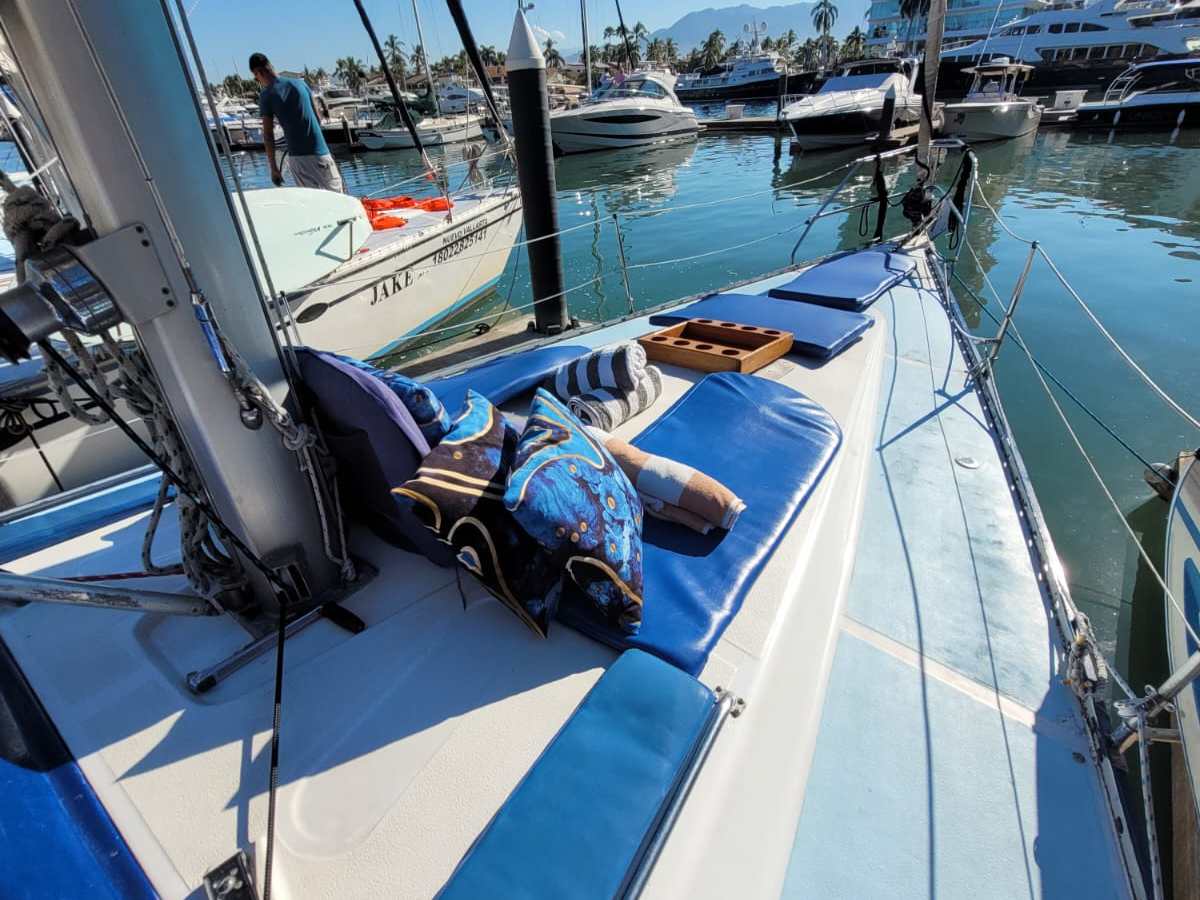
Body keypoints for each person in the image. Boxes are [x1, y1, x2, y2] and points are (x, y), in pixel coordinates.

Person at [249, 52, 344, 193]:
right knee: (339, 199)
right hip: (321, 153)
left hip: (298, 159)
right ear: (270, 66)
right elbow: (317, 118)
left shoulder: (266, 95)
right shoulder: (301, 83)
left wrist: (274, 169)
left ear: (259, 72)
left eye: (256, 78)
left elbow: (268, 135)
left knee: (312, 203)